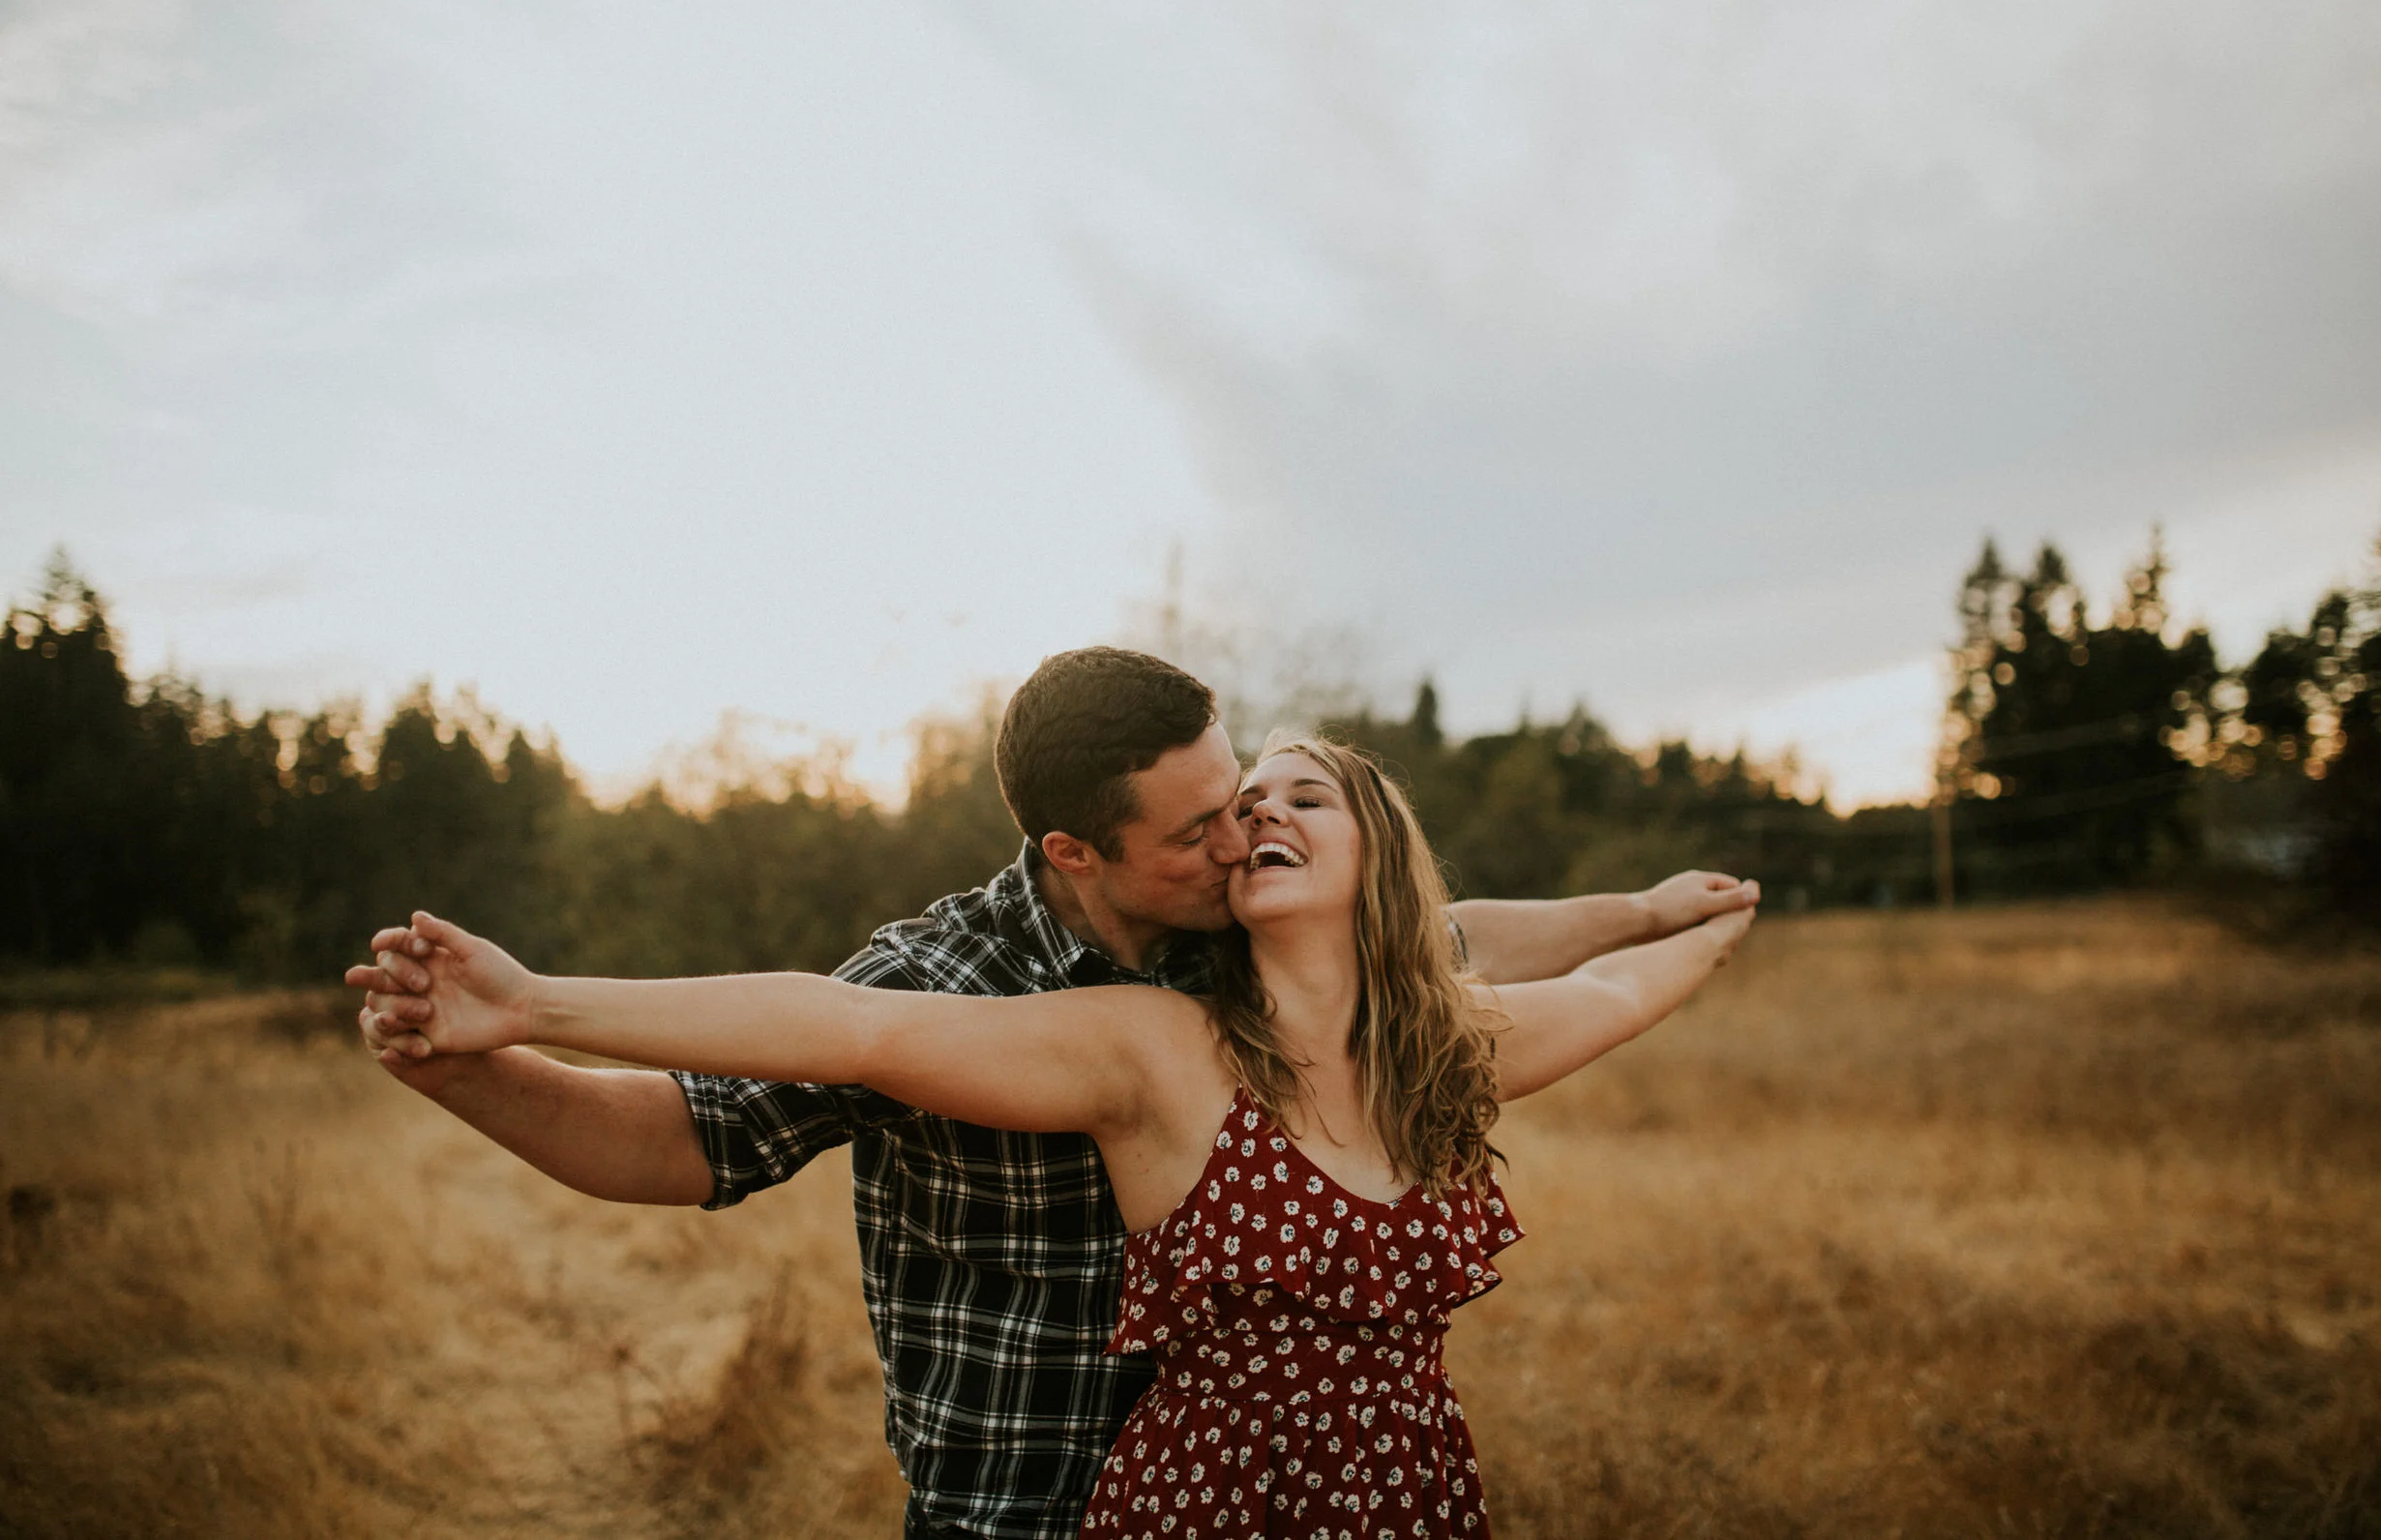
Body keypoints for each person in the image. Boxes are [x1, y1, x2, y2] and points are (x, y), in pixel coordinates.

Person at [352, 647, 1757, 1538]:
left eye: (1256, 796)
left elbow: (1451, 939)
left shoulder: (1260, 948)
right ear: (1078, 845)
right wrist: (503, 1036)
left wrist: (1645, 912)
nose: (1242, 833)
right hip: (1017, 1502)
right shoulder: (977, 984)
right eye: (1207, 824)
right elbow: (699, 1123)